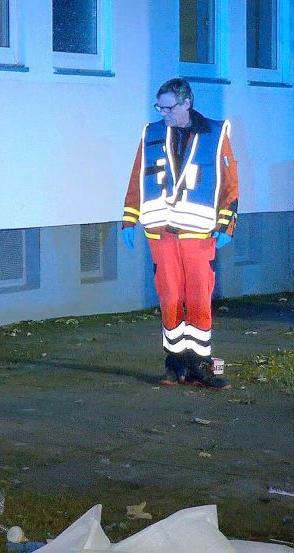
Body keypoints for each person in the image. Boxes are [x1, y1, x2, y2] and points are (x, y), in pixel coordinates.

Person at [121, 77, 238, 390]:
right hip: (161, 233)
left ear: (187, 103)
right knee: (170, 297)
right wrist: (129, 218)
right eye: (159, 107)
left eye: (169, 107)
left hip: (199, 234)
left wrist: (227, 224)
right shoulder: (151, 133)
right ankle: (175, 363)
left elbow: (230, 184)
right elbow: (137, 177)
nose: (163, 113)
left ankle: (201, 365)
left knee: (198, 298)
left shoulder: (215, 133)